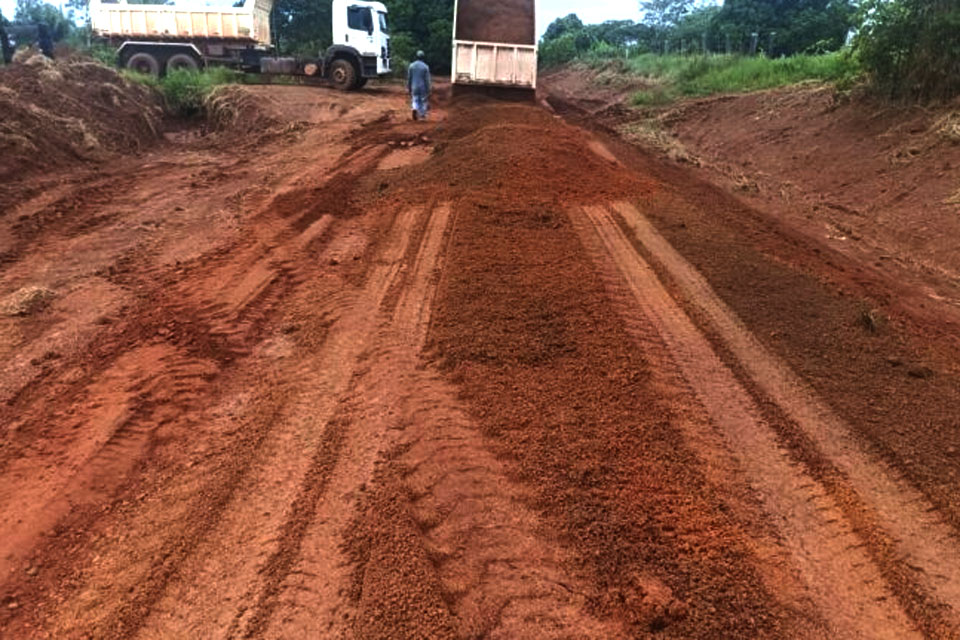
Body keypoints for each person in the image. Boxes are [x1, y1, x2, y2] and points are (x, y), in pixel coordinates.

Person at [407, 50, 431, 121]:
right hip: (422, 86)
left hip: (414, 86)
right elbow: (427, 79)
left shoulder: (411, 66)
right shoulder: (425, 67)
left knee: (415, 99)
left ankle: (414, 108)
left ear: (416, 57)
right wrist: (428, 89)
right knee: (423, 100)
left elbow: (409, 78)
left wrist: (409, 87)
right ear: (423, 57)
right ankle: (422, 116)